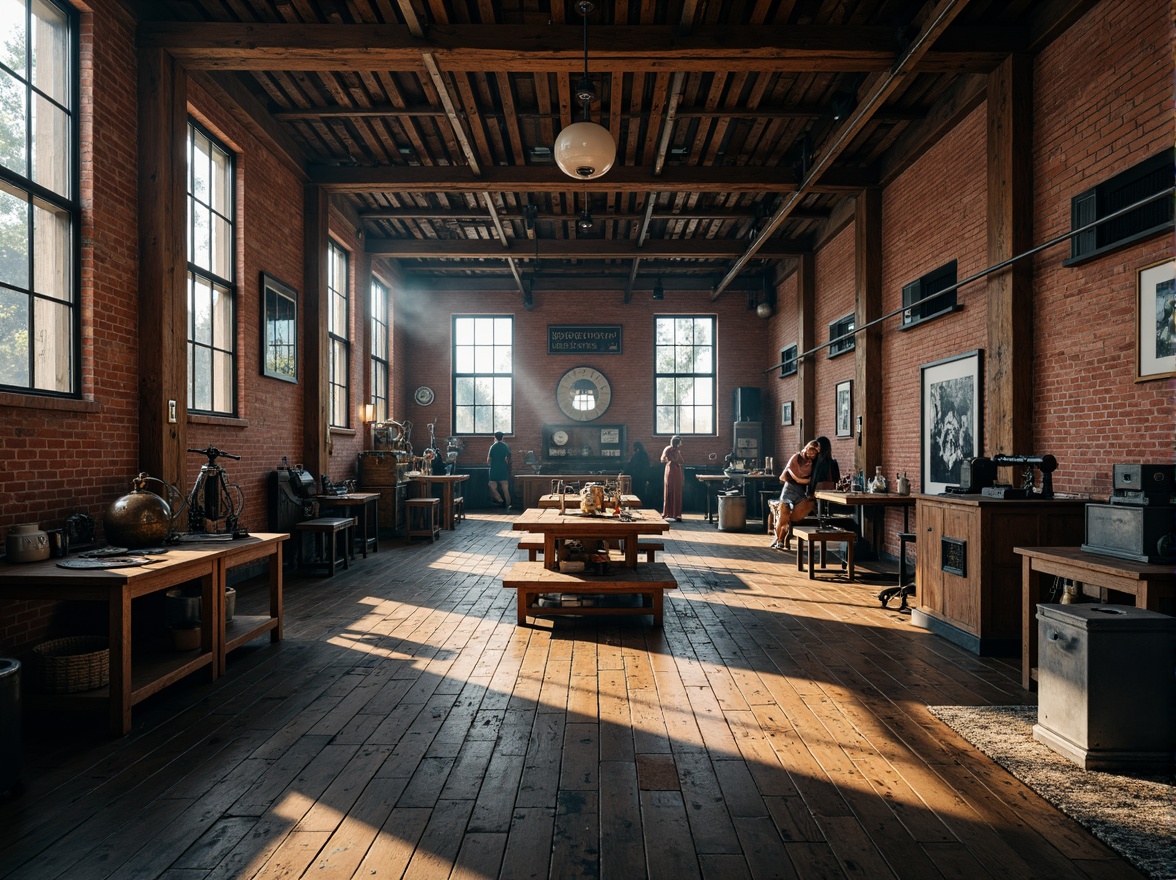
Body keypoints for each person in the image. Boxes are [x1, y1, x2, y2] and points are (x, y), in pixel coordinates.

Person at [772, 438, 821, 549]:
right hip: (790, 488)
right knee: (784, 513)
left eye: (815, 452)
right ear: (807, 448)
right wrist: (807, 481)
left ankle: (787, 535)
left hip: (801, 491)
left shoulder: (814, 463)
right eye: (811, 450)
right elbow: (794, 476)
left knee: (800, 511)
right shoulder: (796, 457)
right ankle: (779, 540)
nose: (812, 454)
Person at [660, 435, 685, 522]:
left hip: (676, 470)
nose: (681, 443)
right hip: (671, 470)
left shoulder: (676, 450)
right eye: (680, 442)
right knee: (670, 490)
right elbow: (663, 459)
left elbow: (681, 461)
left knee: (676, 491)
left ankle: (675, 513)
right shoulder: (669, 449)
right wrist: (670, 459)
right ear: (677, 442)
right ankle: (669, 513)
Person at [486, 431, 512, 508]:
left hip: (494, 468)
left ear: (495, 437)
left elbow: (488, 460)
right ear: (502, 437)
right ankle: (508, 504)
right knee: (505, 488)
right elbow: (508, 458)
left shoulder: (493, 447)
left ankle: (499, 499)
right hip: (503, 468)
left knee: (492, 486)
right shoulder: (505, 446)